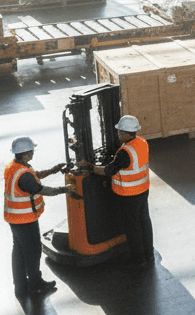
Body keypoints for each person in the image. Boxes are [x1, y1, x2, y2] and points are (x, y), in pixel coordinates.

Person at [5, 137, 77, 296]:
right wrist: (64, 189)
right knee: (33, 251)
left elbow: (35, 175)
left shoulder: (14, 166)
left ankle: (20, 286)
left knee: (18, 251)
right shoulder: (23, 175)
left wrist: (53, 170)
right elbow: (40, 188)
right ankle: (36, 285)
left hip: (14, 218)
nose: (32, 153)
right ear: (24, 154)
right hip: (24, 219)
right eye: (31, 151)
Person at [82, 117, 153, 270]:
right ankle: (149, 253)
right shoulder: (142, 142)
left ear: (126, 133)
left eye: (120, 132)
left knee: (132, 227)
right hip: (143, 190)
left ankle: (138, 259)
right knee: (144, 221)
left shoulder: (125, 152)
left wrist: (90, 167)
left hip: (129, 195)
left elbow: (108, 171)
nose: (118, 135)